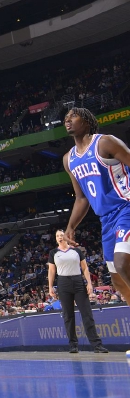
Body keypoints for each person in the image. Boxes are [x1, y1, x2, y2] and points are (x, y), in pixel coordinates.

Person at [62, 107, 130, 347]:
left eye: (73, 116)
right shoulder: (69, 159)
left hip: (126, 206)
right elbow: (81, 198)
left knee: (122, 262)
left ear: (87, 122)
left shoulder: (105, 142)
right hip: (106, 219)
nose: (67, 120)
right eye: (65, 118)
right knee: (117, 281)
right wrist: (71, 227)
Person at [48, 229, 108, 354]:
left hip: (78, 281)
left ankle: (97, 345)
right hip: (63, 283)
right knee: (68, 315)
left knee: (87, 314)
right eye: (57, 236)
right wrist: (50, 286)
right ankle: (73, 345)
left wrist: (89, 283)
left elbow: (85, 268)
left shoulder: (76, 251)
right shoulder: (53, 253)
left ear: (66, 237)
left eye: (61, 235)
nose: (60, 237)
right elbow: (52, 271)